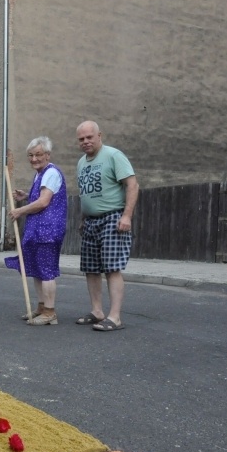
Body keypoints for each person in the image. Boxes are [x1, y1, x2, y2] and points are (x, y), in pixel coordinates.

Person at [74, 120, 139, 331]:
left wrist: (127, 216)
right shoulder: (81, 163)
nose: (85, 142)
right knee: (91, 269)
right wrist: (84, 218)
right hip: (91, 222)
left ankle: (115, 317)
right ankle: (97, 311)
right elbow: (86, 193)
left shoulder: (113, 155)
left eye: (89, 137)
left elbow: (132, 184)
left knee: (112, 268)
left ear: (99, 135)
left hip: (113, 218)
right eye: (81, 139)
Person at [5, 136, 67, 325]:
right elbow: (39, 197)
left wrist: (19, 211)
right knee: (38, 270)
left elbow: (43, 202)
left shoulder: (51, 173)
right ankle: (42, 308)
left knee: (46, 271)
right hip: (39, 230)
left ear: (47, 155)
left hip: (47, 231)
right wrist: (26, 196)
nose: (34, 159)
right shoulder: (40, 174)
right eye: (30, 155)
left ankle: (50, 313)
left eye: (38, 155)